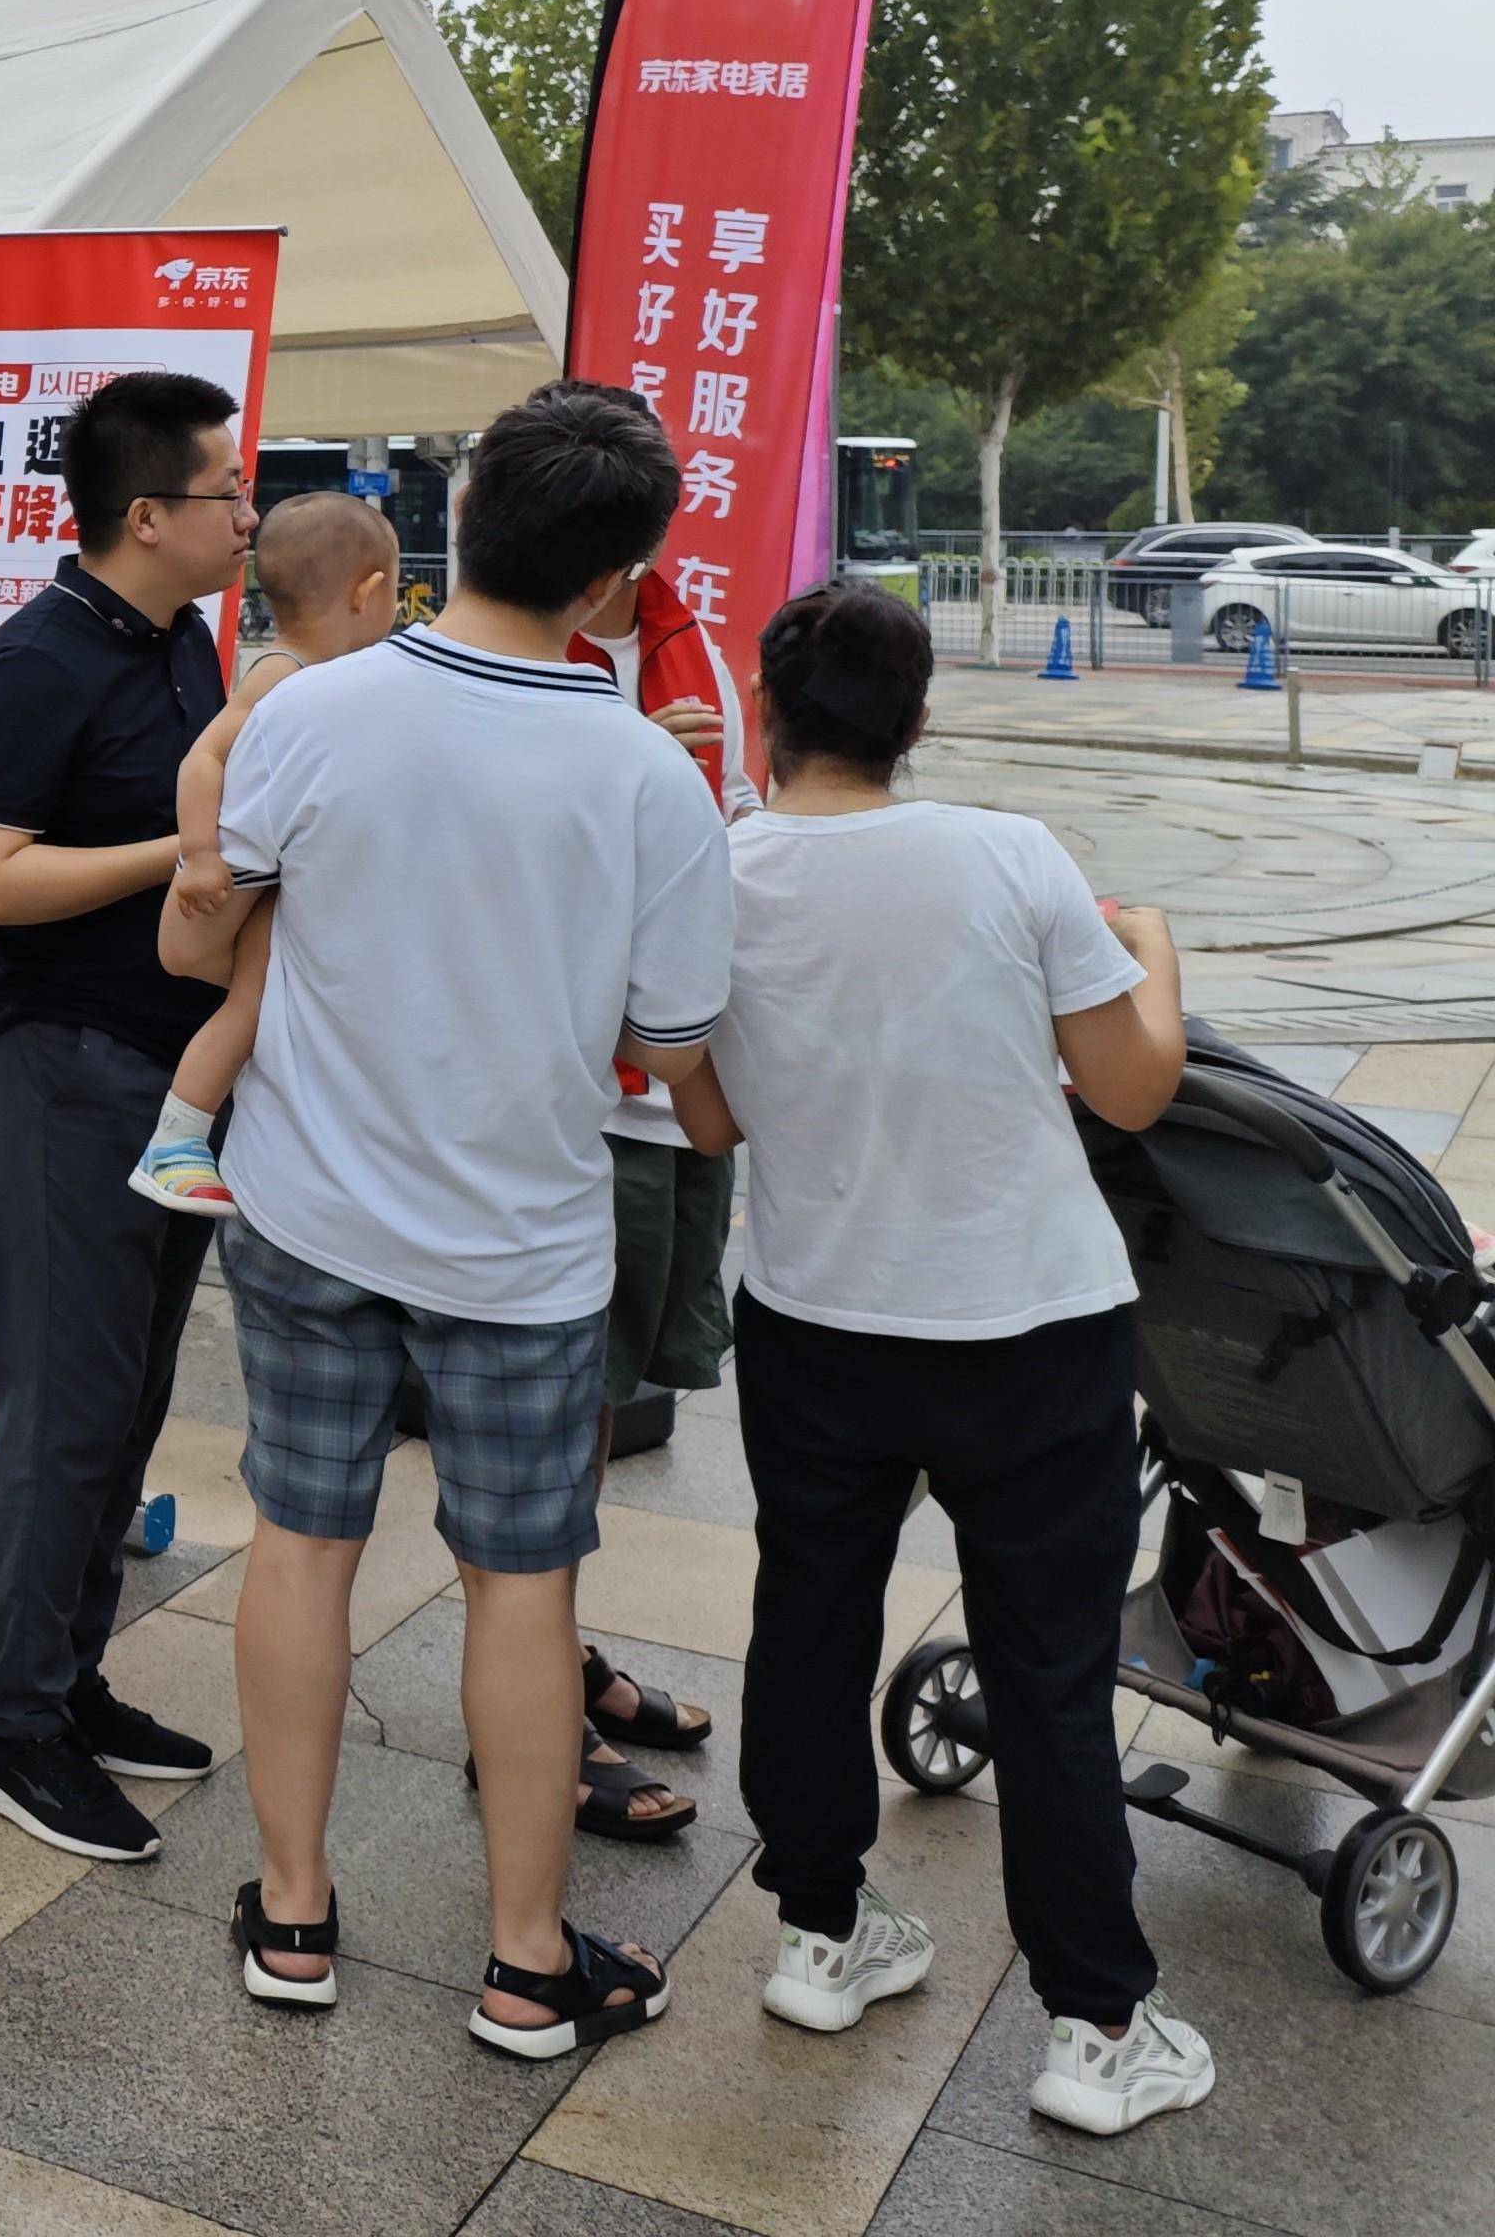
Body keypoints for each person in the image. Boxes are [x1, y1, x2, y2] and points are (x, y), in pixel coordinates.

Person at [169, 378, 729, 2055]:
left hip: (306, 1213)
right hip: (522, 1247)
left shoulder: (315, 713)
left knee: (302, 1537)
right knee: (521, 1583)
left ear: (460, 510)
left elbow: (218, 923)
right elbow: (682, 1041)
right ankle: (523, 1960)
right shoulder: (644, 775)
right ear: (617, 580)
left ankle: (290, 1913)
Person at [669, 581, 1215, 2137]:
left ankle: (822, 1938)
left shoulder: (719, 874)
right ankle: (1098, 2027)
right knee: (1048, 1676)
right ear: (917, 721)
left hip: (816, 1320)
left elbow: (712, 1121)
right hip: (1027, 1328)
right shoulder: (1007, 855)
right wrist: (1153, 950)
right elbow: (1130, 1090)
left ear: (769, 715)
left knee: (810, 1621)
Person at [0, 370, 255, 1865]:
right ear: (148, 515)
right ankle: (10, 1730)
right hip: (65, 1063)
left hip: (171, 1070)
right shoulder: (35, 663)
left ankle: (67, 1682)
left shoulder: (188, 639)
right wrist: (176, 850)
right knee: (63, 1410)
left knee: (126, 1403)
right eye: (226, 494)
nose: (247, 518)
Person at [558, 555, 757, 1836]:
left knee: (615, 1396)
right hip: (581, 1092)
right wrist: (628, 756)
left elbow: (736, 810)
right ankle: (535, 1721)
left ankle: (561, 1671)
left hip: (680, 1085)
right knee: (560, 1406)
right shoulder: (519, 645)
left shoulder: (696, 639)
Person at [130, 492, 402, 1216]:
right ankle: (177, 1140)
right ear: (369, 594)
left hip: (275, 877)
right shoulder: (282, 675)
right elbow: (201, 761)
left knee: (273, 1004)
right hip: (237, 878)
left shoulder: (322, 676)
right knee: (249, 1007)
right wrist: (200, 854)